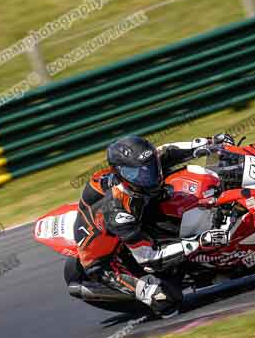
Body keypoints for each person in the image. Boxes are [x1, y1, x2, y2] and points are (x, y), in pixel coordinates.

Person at [69, 133, 234, 318]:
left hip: (135, 218)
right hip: (105, 260)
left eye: (151, 167)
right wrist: (199, 242)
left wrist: (210, 143)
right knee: (165, 300)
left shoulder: (140, 168)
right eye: (139, 173)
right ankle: (146, 292)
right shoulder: (118, 211)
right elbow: (149, 258)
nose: (148, 175)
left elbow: (167, 151)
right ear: (121, 174)